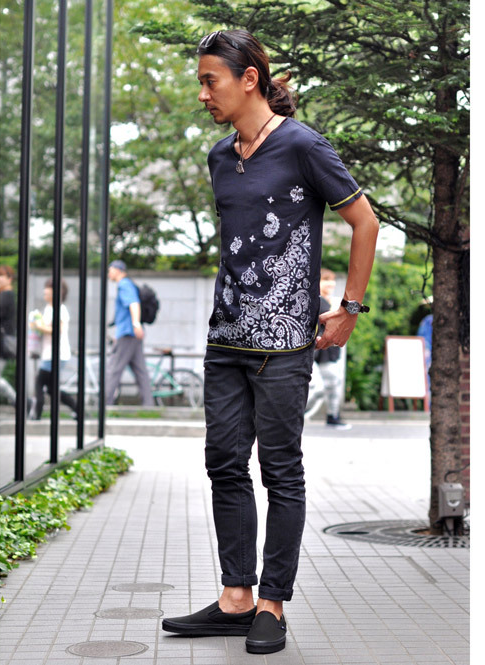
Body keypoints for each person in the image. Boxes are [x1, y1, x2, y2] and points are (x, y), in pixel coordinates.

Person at [161, 30, 379, 654]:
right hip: (226, 338)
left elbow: (364, 221)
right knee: (223, 463)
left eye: (210, 81)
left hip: (284, 345)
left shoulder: (303, 145)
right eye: (201, 82)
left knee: (281, 471)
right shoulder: (219, 156)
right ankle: (236, 598)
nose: (203, 94)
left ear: (248, 79)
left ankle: (272, 605)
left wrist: (349, 309)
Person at [29, 278, 78, 420]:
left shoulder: (60, 309)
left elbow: (58, 330)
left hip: (56, 353)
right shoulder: (48, 308)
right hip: (48, 353)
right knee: (52, 388)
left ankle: (36, 414)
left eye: (49, 288)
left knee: (39, 382)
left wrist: (40, 326)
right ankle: (77, 409)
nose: (45, 291)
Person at [105, 260, 152, 406]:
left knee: (114, 369)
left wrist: (136, 324)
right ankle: (149, 406)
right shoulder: (127, 284)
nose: (109, 273)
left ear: (118, 270)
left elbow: (133, 303)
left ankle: (104, 405)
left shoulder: (124, 284)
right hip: (131, 334)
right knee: (140, 371)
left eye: (110, 270)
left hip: (127, 333)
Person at [309, 268, 351, 429]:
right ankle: (295, 416)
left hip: (330, 350)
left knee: (334, 383)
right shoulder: (314, 300)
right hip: (315, 350)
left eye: (332, 280)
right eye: (326, 280)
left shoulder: (334, 301)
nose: (330, 283)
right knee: (317, 388)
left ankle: (333, 416)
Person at [0, 265, 18, 406]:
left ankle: (21, 401)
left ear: (10, 278)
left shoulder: (6, 295)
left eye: (1, 275)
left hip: (1, 345)